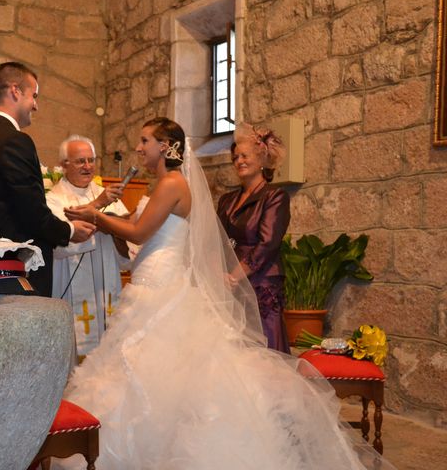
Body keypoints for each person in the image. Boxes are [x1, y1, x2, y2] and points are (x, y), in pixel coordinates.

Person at [56, 117, 393, 469]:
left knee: (162, 374)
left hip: (164, 291)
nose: (139, 147)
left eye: (145, 140)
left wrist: (95, 217)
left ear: (165, 147)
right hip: (147, 284)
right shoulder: (160, 186)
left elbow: (139, 232)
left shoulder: (173, 183)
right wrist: (106, 221)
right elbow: (132, 242)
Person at [0, 61, 95, 297]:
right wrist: (69, 230)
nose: (35, 105)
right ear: (15, 91)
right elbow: (31, 212)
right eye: (33, 96)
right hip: (17, 268)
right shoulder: (15, 140)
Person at [47, 135, 130, 356]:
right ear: (64, 165)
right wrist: (100, 210)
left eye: (91, 160)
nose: (87, 166)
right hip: (70, 284)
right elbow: (59, 243)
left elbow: (128, 246)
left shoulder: (107, 196)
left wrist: (115, 228)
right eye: (80, 161)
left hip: (107, 283)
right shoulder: (53, 199)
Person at [217, 123, 291, 353]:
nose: (239, 161)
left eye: (245, 156)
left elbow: (267, 244)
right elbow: (215, 240)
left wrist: (235, 276)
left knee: (264, 351)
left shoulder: (275, 197)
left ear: (261, 158)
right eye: (235, 157)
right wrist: (220, 275)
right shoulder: (226, 200)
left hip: (260, 285)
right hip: (228, 286)